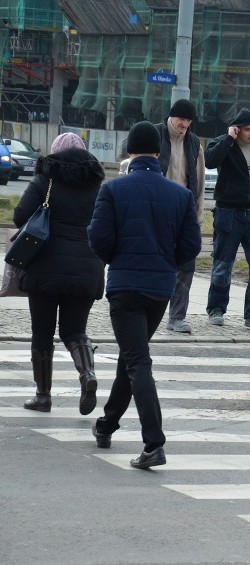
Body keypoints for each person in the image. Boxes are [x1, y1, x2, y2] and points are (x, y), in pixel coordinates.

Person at [88, 121, 201, 469]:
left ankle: (154, 442)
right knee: (131, 357)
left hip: (124, 289)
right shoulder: (180, 195)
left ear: (130, 152)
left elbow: (98, 240)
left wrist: (117, 259)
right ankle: (106, 424)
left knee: (137, 361)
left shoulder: (113, 189)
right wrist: (165, 261)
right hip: (159, 290)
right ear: (157, 153)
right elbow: (191, 247)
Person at [12, 133, 105, 415]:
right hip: (86, 268)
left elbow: (19, 216)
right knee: (74, 330)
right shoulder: (98, 184)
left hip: (45, 268)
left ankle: (43, 396)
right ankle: (87, 374)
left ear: (54, 153)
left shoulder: (45, 180)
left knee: (42, 332)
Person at [204, 108, 250, 329]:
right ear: (237, 129)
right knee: (223, 265)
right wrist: (229, 138)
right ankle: (216, 309)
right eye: (247, 129)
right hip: (228, 213)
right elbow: (209, 161)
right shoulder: (224, 143)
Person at [155, 99, 206, 334]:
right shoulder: (155, 134)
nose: (184, 124)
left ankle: (177, 317)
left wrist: (198, 217)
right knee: (155, 264)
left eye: (188, 120)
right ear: (171, 117)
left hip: (184, 214)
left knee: (186, 265)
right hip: (156, 211)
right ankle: (148, 311)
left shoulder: (195, 144)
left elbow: (199, 182)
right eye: (181, 119)